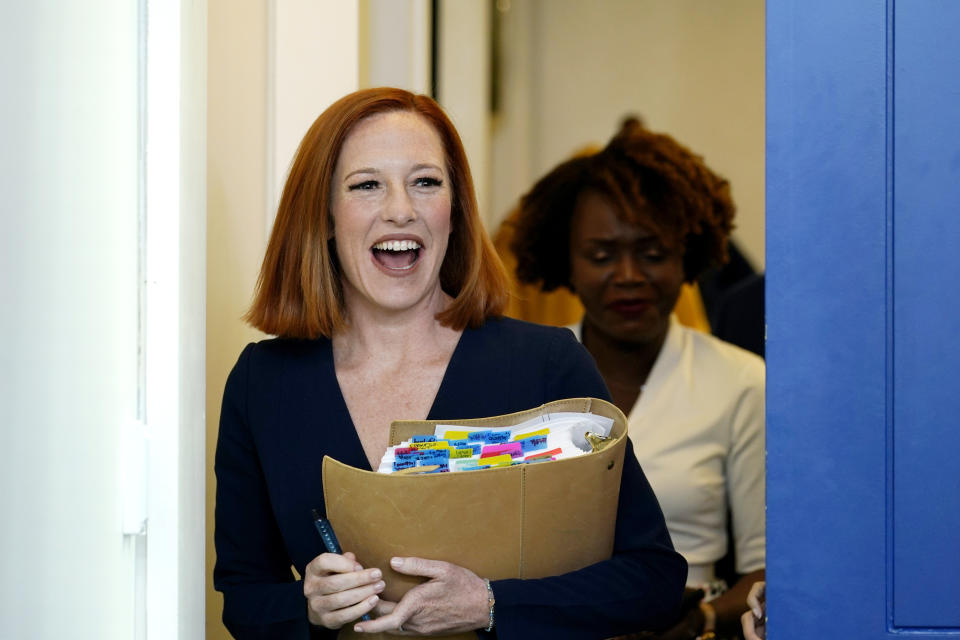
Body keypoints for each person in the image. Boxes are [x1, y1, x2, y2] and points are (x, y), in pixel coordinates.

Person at [213, 88, 687, 640]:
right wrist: (308, 606)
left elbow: (654, 580)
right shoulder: (263, 383)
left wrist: (489, 605)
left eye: (426, 182)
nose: (401, 209)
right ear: (323, 216)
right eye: (367, 185)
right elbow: (243, 600)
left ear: (456, 211)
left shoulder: (547, 365)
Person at [510, 118, 765, 639]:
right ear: (568, 261)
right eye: (602, 256)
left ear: (687, 255)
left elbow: (766, 573)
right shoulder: (521, 371)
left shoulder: (741, 382)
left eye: (652, 253)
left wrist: (702, 619)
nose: (628, 275)